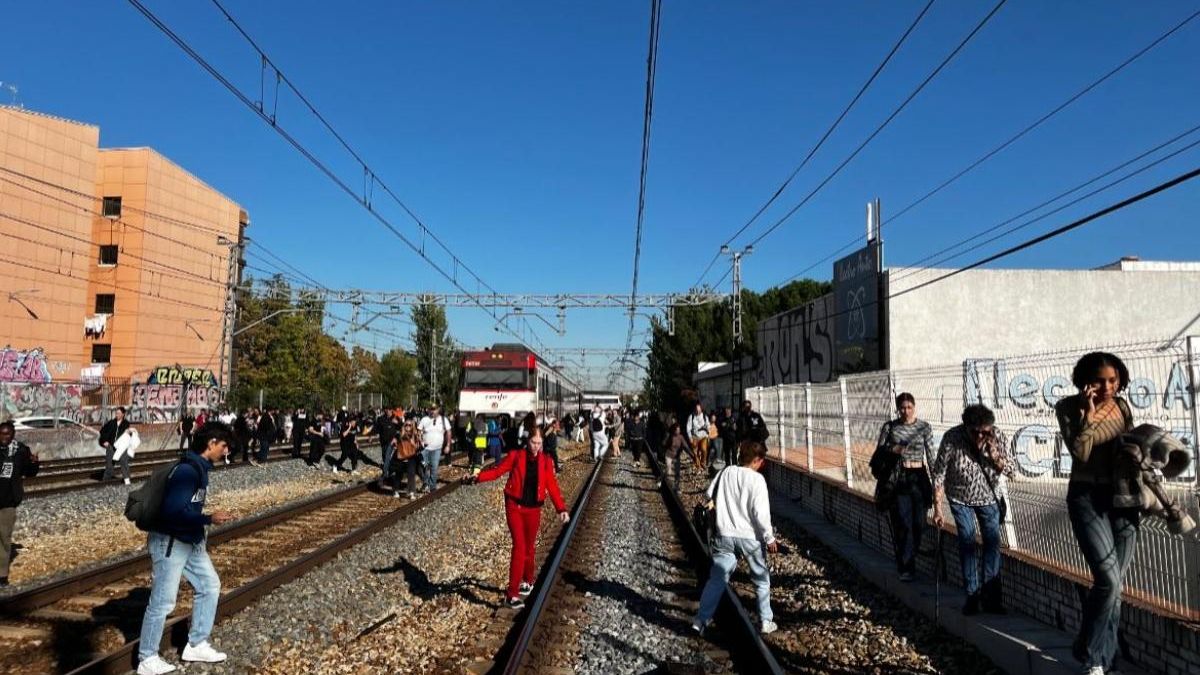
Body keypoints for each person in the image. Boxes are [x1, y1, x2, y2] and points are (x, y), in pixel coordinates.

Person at [1056, 352, 1136, 674]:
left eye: (1113, 380)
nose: (1107, 387)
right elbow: (1080, 452)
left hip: (1123, 498)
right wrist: (1089, 415)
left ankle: (1103, 658)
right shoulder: (1067, 408)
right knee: (1108, 580)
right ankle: (1091, 655)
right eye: (1101, 380)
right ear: (1086, 379)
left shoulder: (1123, 407)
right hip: (1086, 496)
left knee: (1116, 587)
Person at [135, 422, 236, 675]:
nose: (226, 452)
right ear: (211, 443)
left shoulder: (199, 469)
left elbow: (187, 508)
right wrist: (208, 518)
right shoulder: (187, 472)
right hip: (170, 541)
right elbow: (173, 511)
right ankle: (147, 658)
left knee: (209, 585)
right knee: (162, 602)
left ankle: (196, 643)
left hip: (188, 541)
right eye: (224, 446)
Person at [466, 428, 569, 608]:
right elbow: (497, 472)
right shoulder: (516, 456)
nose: (536, 447)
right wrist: (477, 477)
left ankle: (528, 580)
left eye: (539, 443)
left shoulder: (546, 461)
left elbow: (552, 485)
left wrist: (561, 508)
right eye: (533, 443)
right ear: (526, 441)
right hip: (515, 506)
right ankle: (511, 594)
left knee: (529, 547)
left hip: (533, 509)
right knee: (520, 547)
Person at [931, 403, 1013, 616]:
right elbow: (939, 473)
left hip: (989, 498)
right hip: (960, 498)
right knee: (967, 541)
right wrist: (938, 508)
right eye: (974, 431)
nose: (979, 436)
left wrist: (994, 456)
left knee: (992, 545)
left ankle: (992, 598)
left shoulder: (997, 436)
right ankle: (972, 596)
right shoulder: (952, 438)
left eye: (984, 432)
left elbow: (1012, 471)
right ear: (965, 426)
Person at [692, 440, 778, 636]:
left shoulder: (726, 472)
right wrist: (770, 538)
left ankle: (700, 620)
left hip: (725, 535)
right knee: (761, 580)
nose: (761, 465)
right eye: (761, 462)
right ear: (756, 460)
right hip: (751, 538)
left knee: (717, 579)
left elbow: (708, 494)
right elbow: (760, 513)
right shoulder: (757, 481)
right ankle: (765, 621)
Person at [875, 393, 935, 582]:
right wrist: (893, 450)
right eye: (902, 407)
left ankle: (911, 554)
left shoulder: (924, 427)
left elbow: (931, 454)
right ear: (897, 408)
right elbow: (879, 453)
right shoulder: (890, 427)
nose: (906, 411)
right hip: (898, 478)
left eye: (909, 407)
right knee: (904, 524)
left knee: (919, 524)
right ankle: (906, 567)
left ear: (914, 407)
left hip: (919, 477)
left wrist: (937, 483)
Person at [0, 421, 39, 586]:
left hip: (8, 502)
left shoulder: (21, 451)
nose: (4, 437)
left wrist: (34, 463)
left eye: (7, 433)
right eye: (1, 433)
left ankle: (2, 575)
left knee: (3, 538)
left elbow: (29, 472)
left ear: (13, 435)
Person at [417, 404, 451, 493]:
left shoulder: (444, 420)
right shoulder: (424, 419)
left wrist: (448, 445)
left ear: (438, 410)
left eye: (434, 409)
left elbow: (448, 432)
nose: (432, 411)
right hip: (425, 448)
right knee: (420, 466)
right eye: (431, 409)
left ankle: (432, 487)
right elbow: (419, 431)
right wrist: (420, 440)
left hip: (437, 449)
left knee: (434, 468)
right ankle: (426, 482)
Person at [100, 407, 132, 483]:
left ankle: (127, 482)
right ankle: (105, 481)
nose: (117, 415)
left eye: (119, 413)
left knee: (124, 463)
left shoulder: (126, 424)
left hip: (122, 447)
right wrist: (105, 441)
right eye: (116, 413)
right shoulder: (111, 422)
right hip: (111, 447)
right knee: (109, 465)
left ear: (123, 414)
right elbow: (102, 431)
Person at [663, 421, 697, 488]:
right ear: (674, 430)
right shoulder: (669, 435)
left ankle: (676, 486)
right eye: (677, 430)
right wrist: (667, 442)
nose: (678, 431)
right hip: (669, 455)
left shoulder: (681, 437)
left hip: (676, 457)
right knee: (669, 472)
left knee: (677, 472)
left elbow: (686, 447)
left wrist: (692, 455)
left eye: (679, 430)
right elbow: (663, 444)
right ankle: (664, 480)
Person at [688, 403, 711, 471]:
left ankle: (703, 462)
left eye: (699, 410)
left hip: (703, 436)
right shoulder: (691, 416)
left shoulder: (704, 417)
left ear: (701, 409)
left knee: (704, 450)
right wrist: (690, 437)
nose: (697, 411)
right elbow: (688, 428)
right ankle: (698, 465)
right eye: (696, 410)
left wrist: (708, 435)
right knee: (695, 452)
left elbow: (708, 426)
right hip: (695, 436)